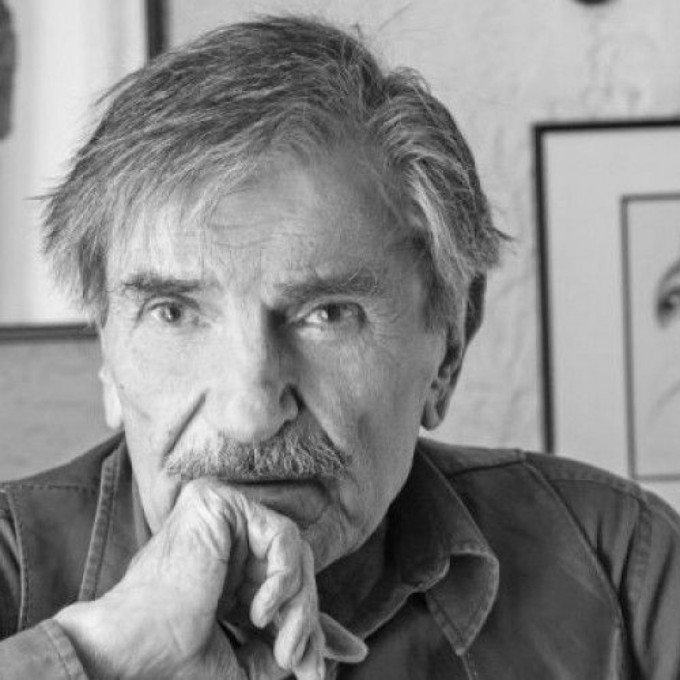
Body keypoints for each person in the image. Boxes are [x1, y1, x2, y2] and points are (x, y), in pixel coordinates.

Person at [1, 15, 679, 679]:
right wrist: (97, 657)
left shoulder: (621, 567)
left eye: (327, 314)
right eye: (173, 313)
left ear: (448, 346)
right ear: (107, 352)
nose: (250, 414)